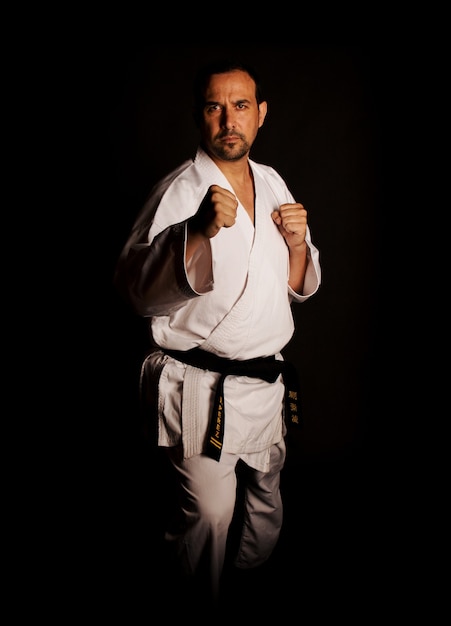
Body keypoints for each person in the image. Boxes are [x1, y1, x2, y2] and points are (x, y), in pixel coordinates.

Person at [113, 59, 322, 607]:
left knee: (267, 500)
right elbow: (134, 288)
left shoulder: (273, 182)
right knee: (210, 512)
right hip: (203, 389)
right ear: (200, 117)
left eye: (241, 106)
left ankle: (253, 583)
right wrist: (196, 231)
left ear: (261, 115)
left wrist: (298, 246)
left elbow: (295, 285)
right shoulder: (180, 191)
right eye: (215, 107)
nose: (229, 119)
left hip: (264, 384)